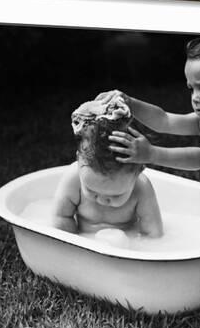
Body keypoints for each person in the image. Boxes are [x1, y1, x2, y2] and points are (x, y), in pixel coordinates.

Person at [98, 36, 200, 249]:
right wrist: (129, 102)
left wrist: (152, 154)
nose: (195, 97)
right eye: (191, 89)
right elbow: (163, 120)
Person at [51, 94, 164, 241]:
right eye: (91, 190)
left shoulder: (142, 188)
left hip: (126, 246)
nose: (102, 200)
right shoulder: (73, 179)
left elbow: (153, 233)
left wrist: (135, 248)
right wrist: (77, 243)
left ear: (139, 170)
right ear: (79, 162)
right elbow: (61, 217)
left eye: (116, 195)